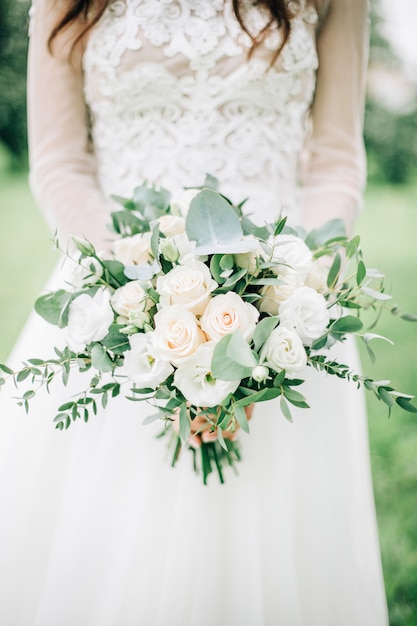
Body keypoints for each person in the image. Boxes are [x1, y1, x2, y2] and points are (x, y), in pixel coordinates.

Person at [0, 0, 389, 624]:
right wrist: (137, 297)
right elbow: (61, 161)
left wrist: (288, 298)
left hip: (284, 303)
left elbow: (336, 158)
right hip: (117, 301)